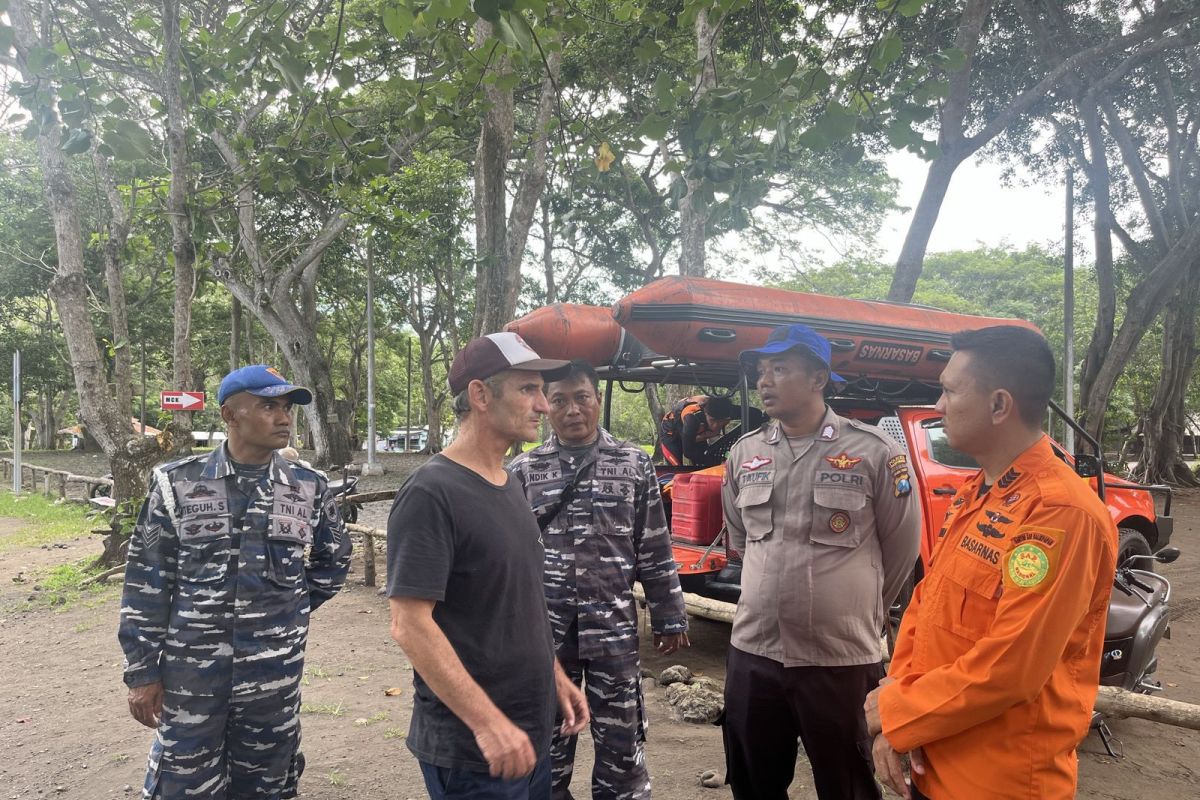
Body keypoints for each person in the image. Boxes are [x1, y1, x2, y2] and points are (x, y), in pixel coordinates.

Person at [863, 326, 1117, 800]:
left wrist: (897, 714)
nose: (937, 406)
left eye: (949, 390)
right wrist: (898, 706)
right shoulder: (977, 492)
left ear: (1000, 405)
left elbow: (1012, 667)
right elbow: (926, 603)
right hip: (933, 761)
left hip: (999, 782)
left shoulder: (1059, 512)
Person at [118, 364, 352, 799]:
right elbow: (146, 581)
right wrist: (142, 671)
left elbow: (333, 562)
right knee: (184, 783)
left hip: (273, 675)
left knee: (267, 783)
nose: (284, 417)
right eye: (269, 406)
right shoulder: (177, 483)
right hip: (191, 675)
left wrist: (286, 609)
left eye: (287, 407)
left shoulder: (308, 486)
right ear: (230, 414)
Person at [720, 323, 921, 800]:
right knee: (754, 782)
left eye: (781, 368)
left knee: (847, 784)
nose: (765, 380)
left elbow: (900, 551)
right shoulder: (744, 453)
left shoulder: (874, 451)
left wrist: (853, 609)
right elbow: (742, 541)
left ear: (818, 378)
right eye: (762, 370)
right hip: (755, 652)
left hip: (839, 658)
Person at [386, 332, 590, 800]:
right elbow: (409, 625)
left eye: (542, 390)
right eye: (527, 389)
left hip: (528, 730)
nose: (543, 405)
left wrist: (554, 676)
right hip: (477, 752)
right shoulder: (431, 493)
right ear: (480, 395)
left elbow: (516, 600)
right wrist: (488, 723)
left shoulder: (507, 482)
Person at [508, 360, 689, 800]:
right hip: (545, 636)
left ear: (598, 400)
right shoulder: (523, 470)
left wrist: (669, 615)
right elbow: (510, 558)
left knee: (622, 746)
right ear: (545, 407)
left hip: (614, 631)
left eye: (582, 398)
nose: (572, 409)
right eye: (560, 400)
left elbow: (653, 542)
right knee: (547, 745)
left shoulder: (633, 464)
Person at [658, 394, 738, 467]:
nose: (716, 425)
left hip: (694, 431)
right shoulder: (692, 418)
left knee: (707, 462)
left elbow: (750, 413)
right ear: (705, 413)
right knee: (676, 469)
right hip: (670, 434)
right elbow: (688, 452)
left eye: (721, 421)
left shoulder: (729, 411)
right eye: (712, 420)